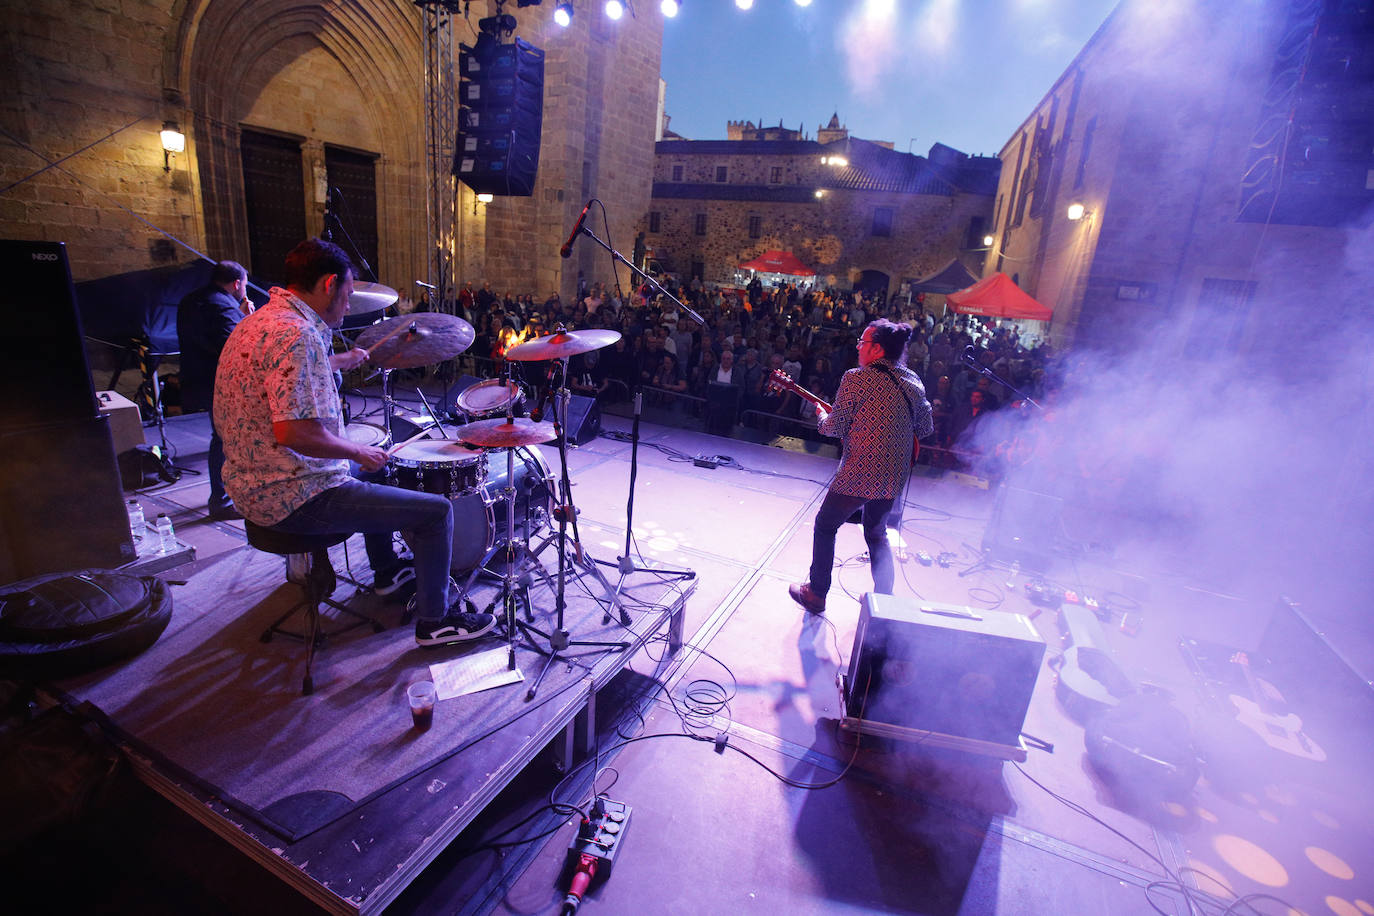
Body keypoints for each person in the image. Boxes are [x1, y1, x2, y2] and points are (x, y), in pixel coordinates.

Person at [214, 238, 495, 646]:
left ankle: (386, 572)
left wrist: (335, 362)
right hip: (292, 495)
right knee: (435, 513)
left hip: (249, 483)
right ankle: (437, 622)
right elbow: (294, 432)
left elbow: (277, 376)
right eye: (347, 294)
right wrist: (356, 450)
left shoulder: (260, 322)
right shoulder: (299, 336)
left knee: (373, 470)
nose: (348, 306)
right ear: (329, 284)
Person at [789, 319, 933, 614]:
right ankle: (884, 602)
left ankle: (816, 594)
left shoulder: (856, 378)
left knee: (826, 525)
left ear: (877, 348)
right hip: (894, 475)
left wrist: (820, 414)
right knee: (876, 533)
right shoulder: (913, 381)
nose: (858, 348)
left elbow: (834, 428)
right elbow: (927, 427)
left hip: (859, 473)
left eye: (863, 343)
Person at [177, 260, 252, 519]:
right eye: (244, 284)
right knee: (225, 440)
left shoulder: (190, 300)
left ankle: (223, 497)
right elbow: (237, 348)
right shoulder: (222, 306)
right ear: (236, 283)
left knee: (221, 438)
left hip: (197, 380)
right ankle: (221, 501)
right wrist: (247, 319)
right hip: (220, 385)